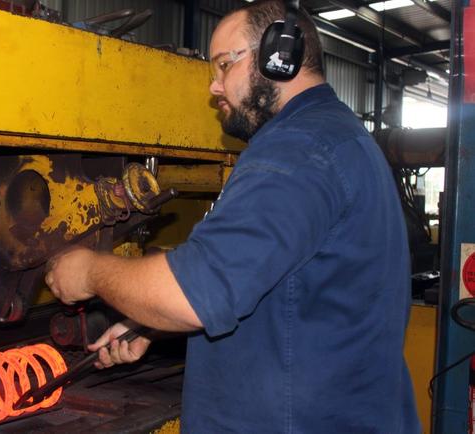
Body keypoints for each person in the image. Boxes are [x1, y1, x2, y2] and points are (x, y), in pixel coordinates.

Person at [44, 1, 421, 432]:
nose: (214, 87)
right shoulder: (339, 138)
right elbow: (282, 289)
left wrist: (89, 271)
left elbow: (193, 295)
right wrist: (151, 322)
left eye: (225, 65)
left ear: (281, 58)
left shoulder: (295, 152)